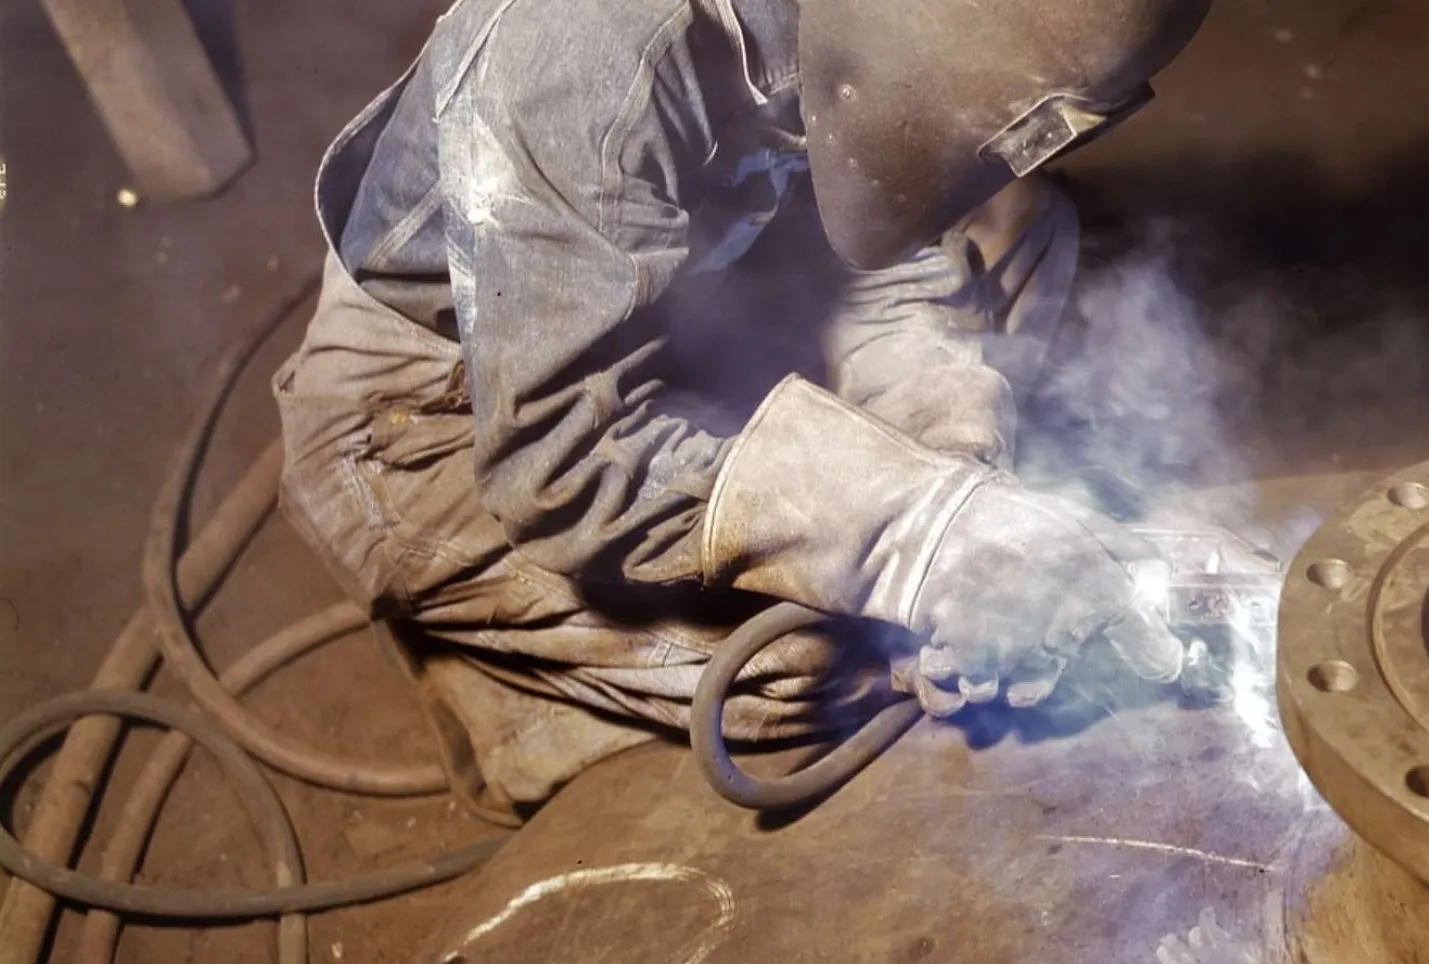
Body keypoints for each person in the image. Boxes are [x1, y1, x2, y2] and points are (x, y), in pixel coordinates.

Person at [273, 0, 1213, 803]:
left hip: (685, 297)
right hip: (441, 420)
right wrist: (917, 543)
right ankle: (514, 701)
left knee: (1020, 225)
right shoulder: (585, 53)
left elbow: (880, 244)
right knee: (810, 671)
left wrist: (950, 462)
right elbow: (559, 455)